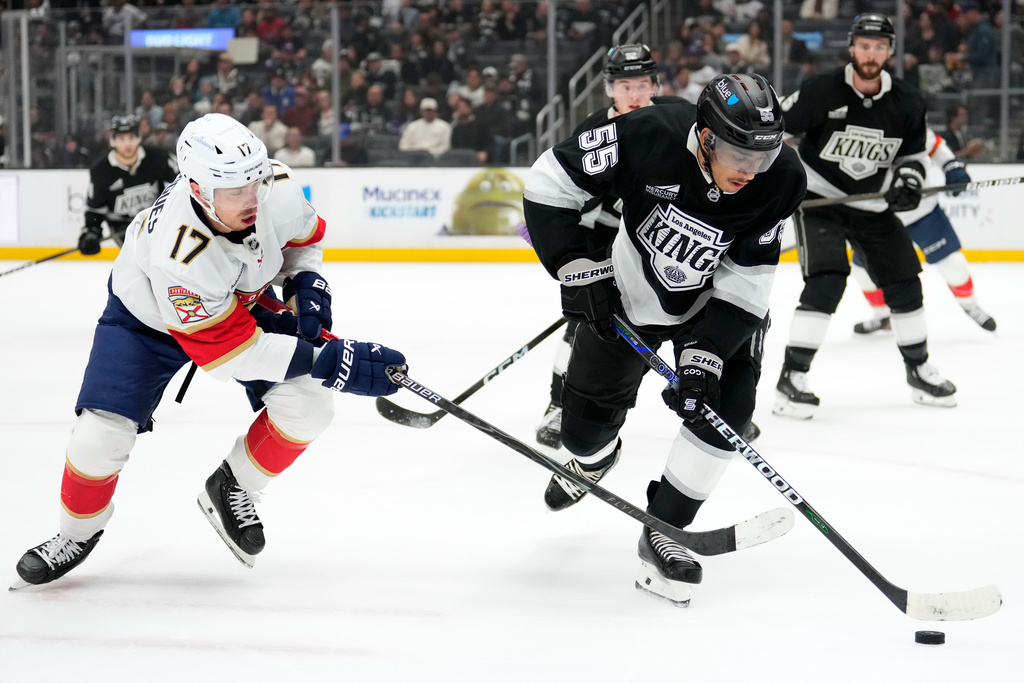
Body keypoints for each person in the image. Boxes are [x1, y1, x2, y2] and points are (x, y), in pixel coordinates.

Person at [13, 113, 408, 588]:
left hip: (232, 300)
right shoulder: (181, 253)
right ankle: (75, 534)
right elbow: (230, 353)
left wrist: (306, 282)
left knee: (308, 406)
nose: (252, 198)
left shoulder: (274, 187)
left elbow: (302, 241)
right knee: (98, 438)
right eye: (235, 190)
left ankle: (233, 484)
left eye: (255, 182)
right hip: (145, 323)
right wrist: (330, 361)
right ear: (198, 190)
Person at [522, 73, 804, 606]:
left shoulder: (782, 177)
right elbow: (547, 184)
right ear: (704, 135)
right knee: (580, 436)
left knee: (728, 412)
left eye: (760, 159)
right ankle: (594, 460)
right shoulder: (644, 132)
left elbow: (748, 280)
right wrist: (575, 265)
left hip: (715, 308)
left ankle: (665, 529)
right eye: (737, 155)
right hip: (628, 299)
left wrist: (705, 357)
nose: (749, 171)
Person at [774, 13, 957, 420]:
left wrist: (908, 180)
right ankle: (792, 378)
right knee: (827, 279)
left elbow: (912, 153)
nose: (871, 54)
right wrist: (776, 180)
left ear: (890, 52)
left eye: (879, 46)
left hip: (871, 204)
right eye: (864, 45)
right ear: (852, 48)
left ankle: (918, 370)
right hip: (820, 199)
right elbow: (773, 131)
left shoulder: (907, 100)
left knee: (906, 281)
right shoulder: (821, 90)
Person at [850, 129, 996, 334]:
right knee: (861, 271)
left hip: (922, 212)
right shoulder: (852, 126)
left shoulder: (905, 114)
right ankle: (883, 317)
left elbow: (934, 145)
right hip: (877, 217)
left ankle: (970, 305)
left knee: (954, 265)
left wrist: (951, 166)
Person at [78, 115, 179, 255]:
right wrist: (91, 232)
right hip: (122, 226)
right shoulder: (101, 171)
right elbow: (95, 209)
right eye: (121, 139)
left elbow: (182, 182)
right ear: (113, 140)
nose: (127, 144)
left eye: (131, 138)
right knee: (140, 260)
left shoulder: (158, 159)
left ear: (138, 137)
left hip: (154, 220)